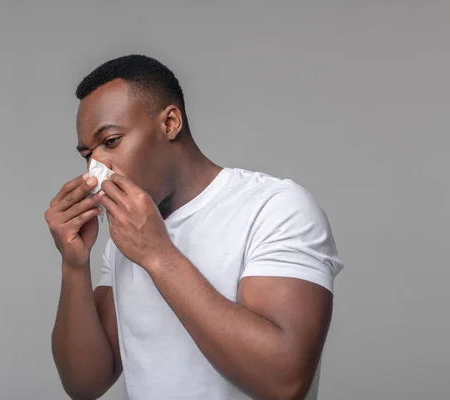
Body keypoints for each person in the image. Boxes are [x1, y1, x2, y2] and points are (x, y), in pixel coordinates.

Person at [46, 54, 344, 400]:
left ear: (170, 123)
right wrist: (74, 264)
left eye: (111, 141)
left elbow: (283, 383)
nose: (97, 168)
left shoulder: (275, 208)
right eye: (88, 154)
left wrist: (158, 255)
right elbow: (85, 385)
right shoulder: (125, 238)